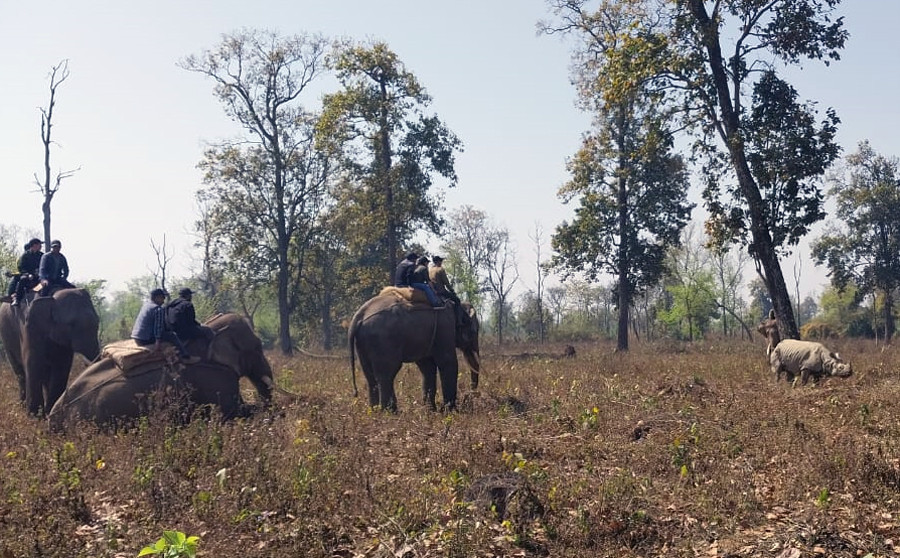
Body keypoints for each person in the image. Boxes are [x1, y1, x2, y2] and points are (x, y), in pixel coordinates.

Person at [131, 288, 200, 364]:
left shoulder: (146, 305)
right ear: (157, 297)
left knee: (167, 333)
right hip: (146, 339)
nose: (163, 301)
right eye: (162, 298)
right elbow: (158, 327)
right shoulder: (157, 309)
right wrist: (157, 341)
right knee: (172, 335)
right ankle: (185, 357)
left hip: (138, 337)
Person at [3, 238, 43, 306]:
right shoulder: (25, 255)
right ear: (34, 245)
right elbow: (21, 268)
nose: (41, 246)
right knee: (23, 279)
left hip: (39, 276)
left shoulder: (41, 255)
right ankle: (17, 299)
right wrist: (28, 274)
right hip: (28, 276)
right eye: (39, 244)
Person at [429, 255, 464, 324]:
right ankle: (459, 320)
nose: (441, 262)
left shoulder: (430, 270)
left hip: (432, 291)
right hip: (441, 291)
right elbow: (446, 283)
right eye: (441, 261)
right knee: (457, 300)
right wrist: (452, 291)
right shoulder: (440, 269)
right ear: (438, 262)